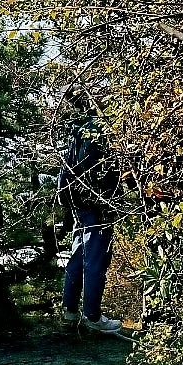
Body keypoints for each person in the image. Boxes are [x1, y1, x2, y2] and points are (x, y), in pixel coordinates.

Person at [57, 105, 122, 334]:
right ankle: (92, 317)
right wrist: (107, 200)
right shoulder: (98, 128)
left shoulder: (78, 128)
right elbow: (97, 172)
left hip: (78, 201)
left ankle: (69, 312)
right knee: (95, 258)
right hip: (96, 204)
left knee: (78, 254)